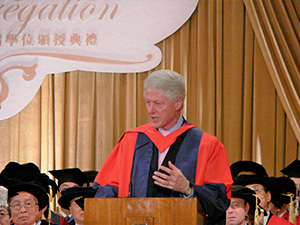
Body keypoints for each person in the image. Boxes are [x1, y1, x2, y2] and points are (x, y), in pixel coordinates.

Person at [93, 69, 233, 224]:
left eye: (158, 104)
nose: (151, 110)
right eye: (148, 102)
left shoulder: (206, 145)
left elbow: (219, 202)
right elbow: (108, 188)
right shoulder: (131, 140)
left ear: (178, 103)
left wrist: (187, 189)